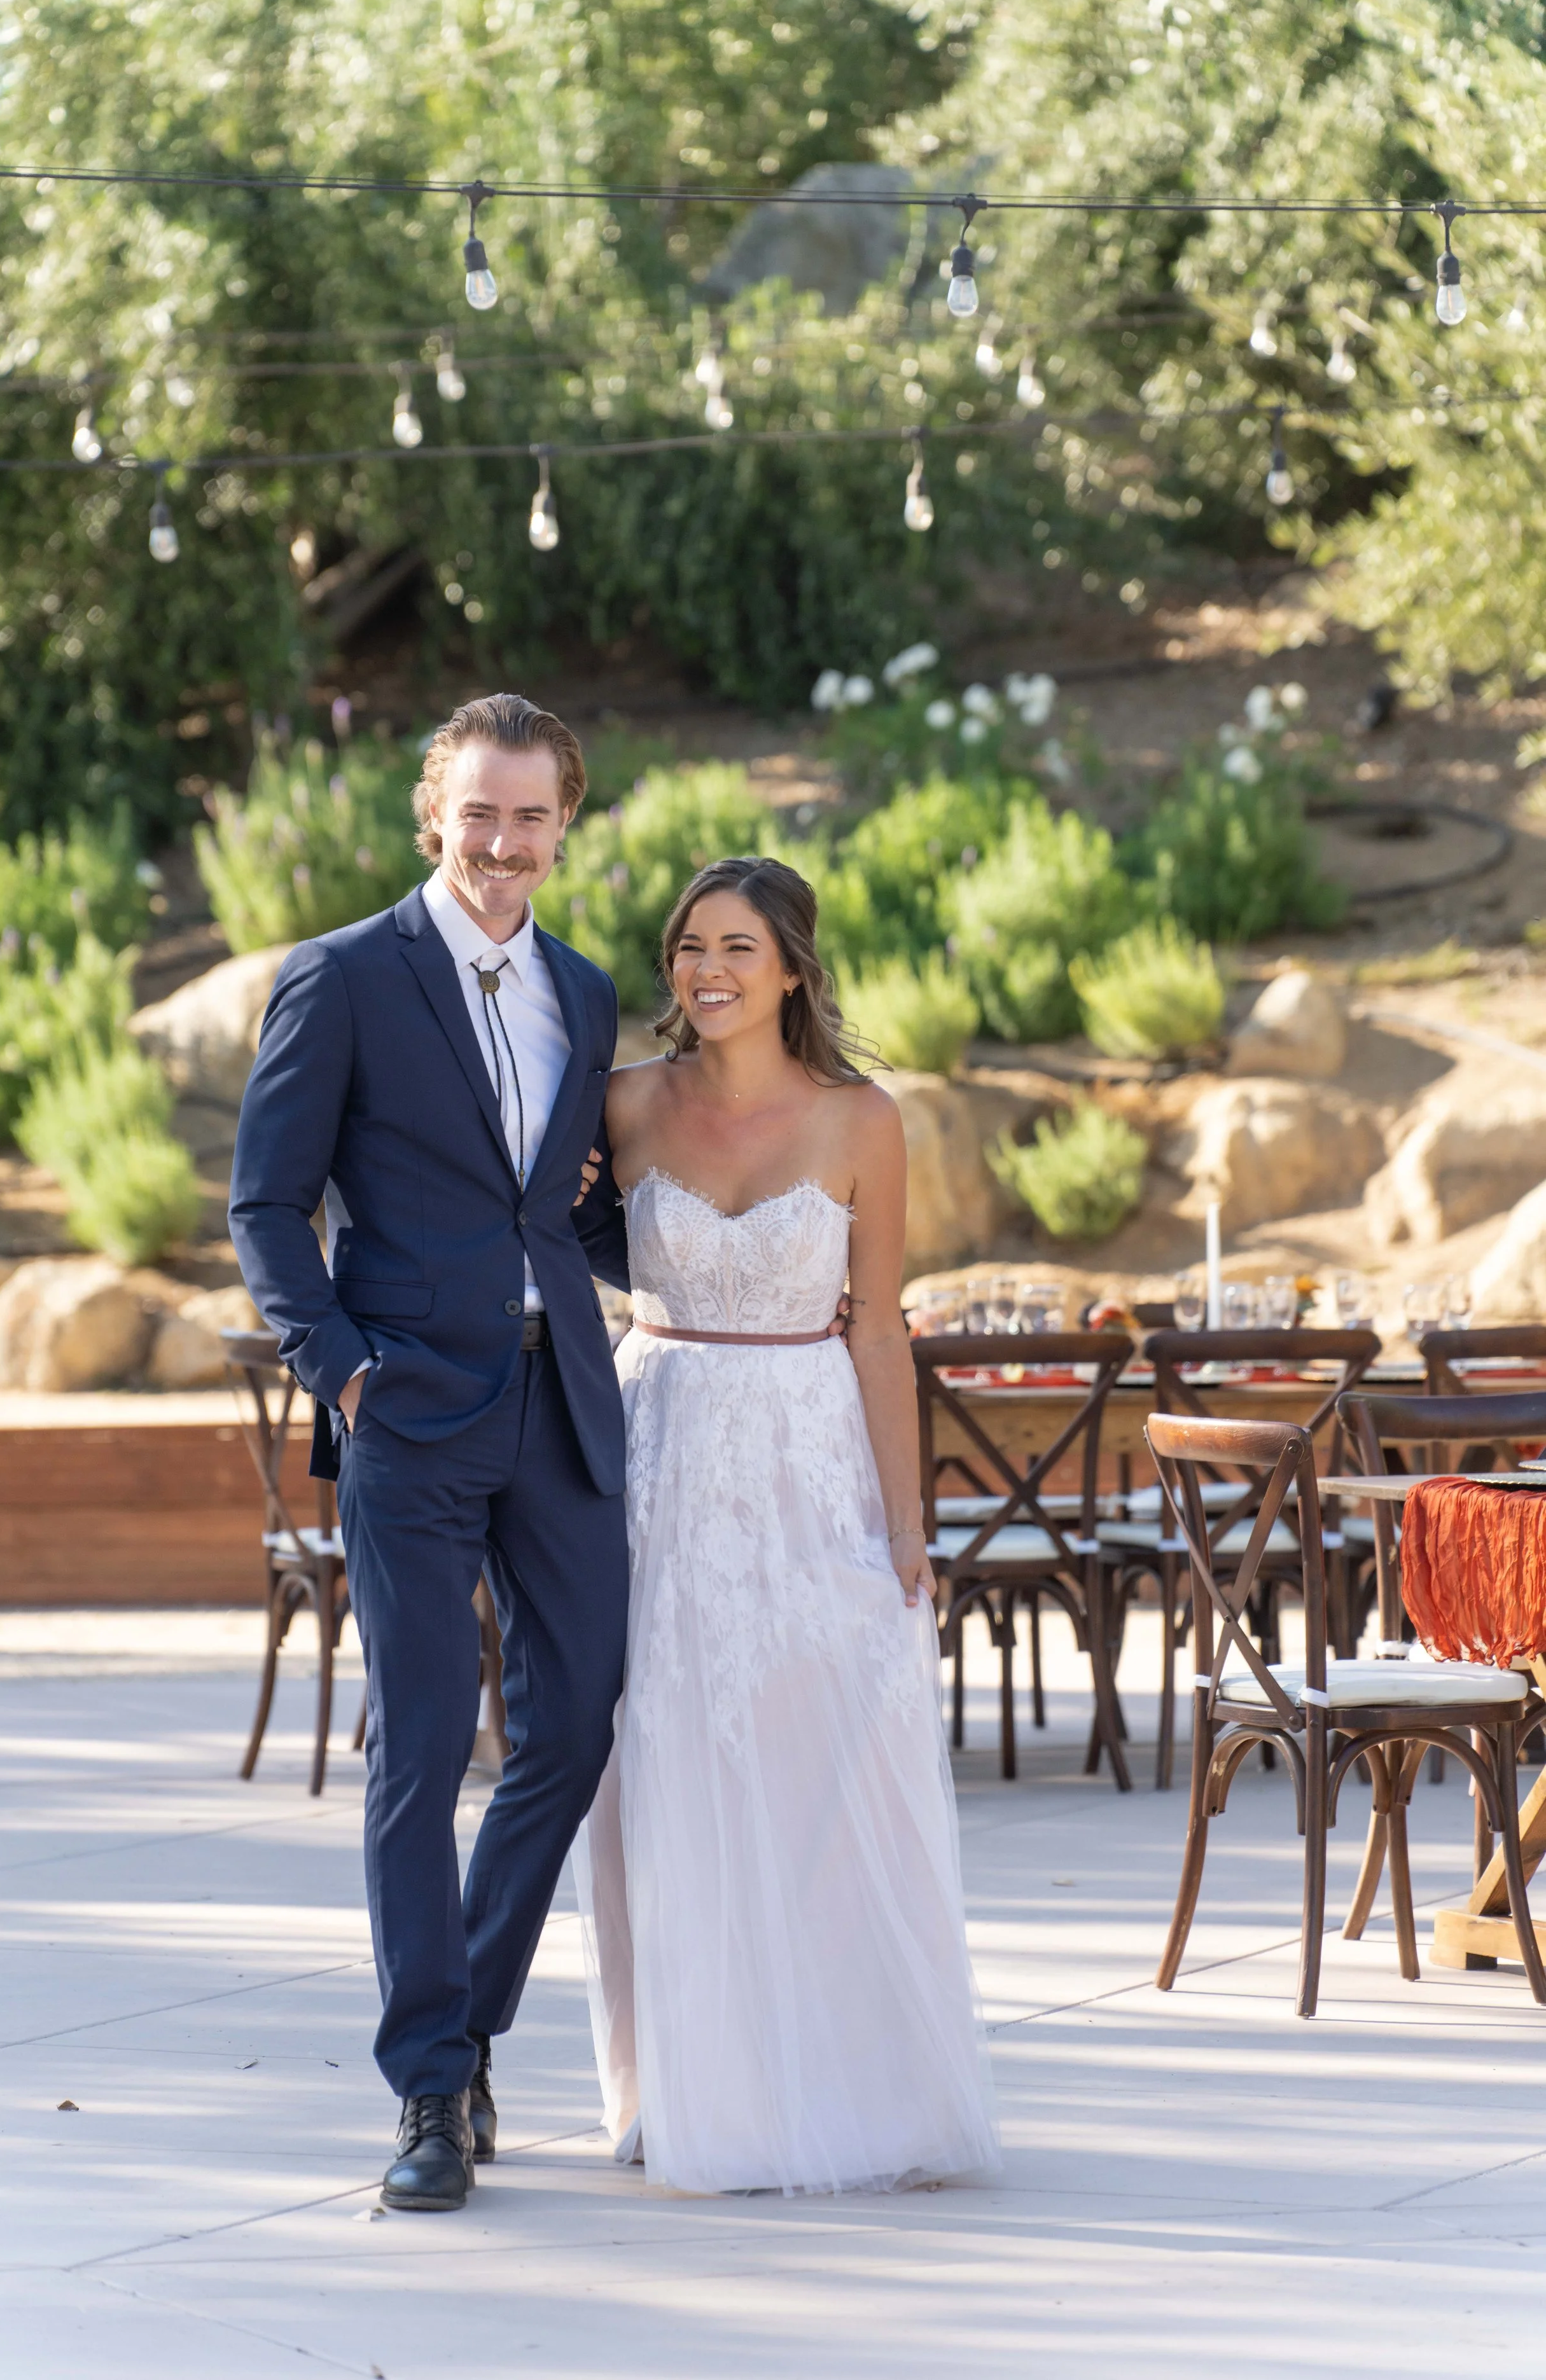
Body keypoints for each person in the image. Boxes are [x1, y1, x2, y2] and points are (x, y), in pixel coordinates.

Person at [229, 693, 630, 2213]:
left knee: (576, 1725)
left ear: (563, 825)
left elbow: (566, 1215)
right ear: (434, 815)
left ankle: (465, 2031)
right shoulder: (338, 979)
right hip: (408, 1410)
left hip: (562, 1408)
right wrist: (339, 1371)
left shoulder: (582, 996)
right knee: (415, 1752)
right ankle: (425, 2093)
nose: (504, 843)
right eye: (480, 813)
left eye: (531, 816)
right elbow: (266, 1207)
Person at [577, 855, 999, 2194]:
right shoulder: (624, 1105)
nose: (706, 969)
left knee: (821, 1762)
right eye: (690, 946)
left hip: (808, 1456)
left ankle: (838, 2079)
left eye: (737, 948)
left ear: (793, 969)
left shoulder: (862, 1119)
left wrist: (902, 1522)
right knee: (661, 1763)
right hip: (658, 1450)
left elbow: (879, 1330)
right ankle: (684, 2089)